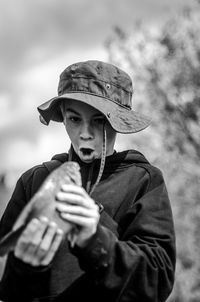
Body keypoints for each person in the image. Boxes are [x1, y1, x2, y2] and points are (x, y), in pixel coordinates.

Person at [0, 60, 176, 302]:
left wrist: (95, 240)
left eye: (99, 120)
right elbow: (10, 291)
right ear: (63, 117)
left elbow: (157, 282)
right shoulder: (35, 181)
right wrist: (27, 265)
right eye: (74, 119)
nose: (85, 132)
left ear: (117, 122)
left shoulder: (143, 181)